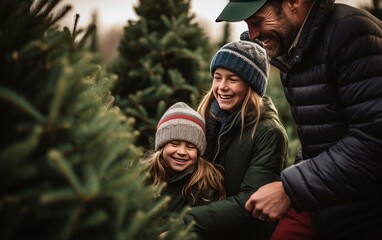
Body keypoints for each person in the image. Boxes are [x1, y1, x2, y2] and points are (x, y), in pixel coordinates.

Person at [216, 0, 382, 239]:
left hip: (364, 208)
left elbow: (373, 140)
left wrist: (289, 189)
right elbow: (320, 136)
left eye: (257, 21)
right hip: (321, 197)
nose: (252, 33)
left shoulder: (352, 33)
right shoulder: (291, 52)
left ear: (293, 3)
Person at [183, 40, 288, 240]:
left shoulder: (268, 132)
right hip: (204, 226)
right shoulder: (205, 118)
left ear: (251, 85)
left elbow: (249, 203)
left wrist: (185, 221)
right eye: (217, 77)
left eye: (232, 79)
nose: (222, 87)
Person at [141, 102, 226, 212]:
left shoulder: (205, 182)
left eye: (190, 147)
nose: (182, 152)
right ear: (162, 146)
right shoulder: (143, 174)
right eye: (174, 144)